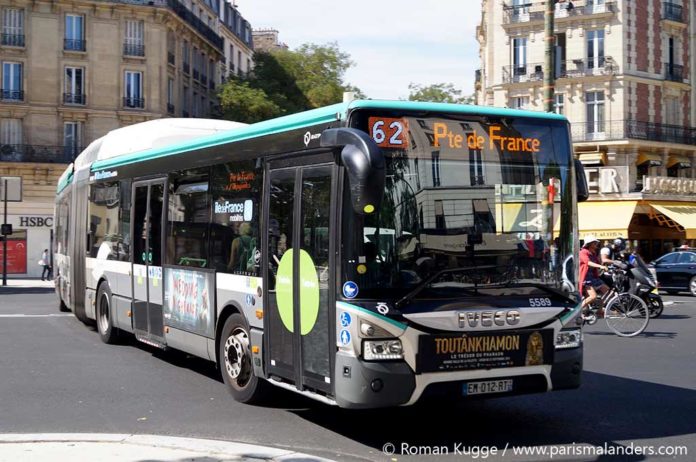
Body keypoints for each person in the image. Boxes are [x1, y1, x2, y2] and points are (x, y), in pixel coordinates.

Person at [579, 236, 609, 313]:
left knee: (607, 291)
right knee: (593, 296)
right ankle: (576, 311)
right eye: (594, 243)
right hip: (586, 278)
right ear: (589, 244)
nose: (596, 244)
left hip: (593, 277)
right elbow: (588, 262)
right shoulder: (582, 252)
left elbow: (598, 262)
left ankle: (600, 311)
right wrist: (600, 266)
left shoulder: (593, 253)